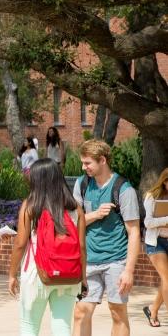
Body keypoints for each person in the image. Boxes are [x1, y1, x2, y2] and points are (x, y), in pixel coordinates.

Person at [7, 158, 86, 336]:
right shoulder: (75, 208)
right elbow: (81, 246)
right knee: (62, 325)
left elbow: (20, 244)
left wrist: (12, 274)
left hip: (37, 273)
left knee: (29, 325)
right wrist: (83, 277)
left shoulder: (31, 206)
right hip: (68, 274)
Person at [72, 139, 141, 336]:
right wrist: (95, 215)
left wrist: (129, 270)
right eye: (83, 162)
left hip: (116, 262)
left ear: (102, 160)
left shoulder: (124, 189)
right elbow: (73, 222)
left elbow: (134, 232)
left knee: (117, 313)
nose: (83, 167)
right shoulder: (81, 184)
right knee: (80, 312)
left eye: (87, 163)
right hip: (88, 261)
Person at [143, 167, 168, 328]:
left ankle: (152, 311)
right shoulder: (151, 197)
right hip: (156, 242)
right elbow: (148, 223)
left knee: (167, 281)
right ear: (165, 182)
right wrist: (166, 220)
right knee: (167, 279)